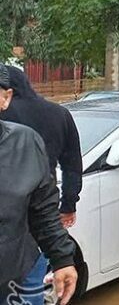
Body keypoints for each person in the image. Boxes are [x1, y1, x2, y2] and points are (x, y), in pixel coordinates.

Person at [0, 64, 78, 305]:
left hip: (15, 270)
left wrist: (62, 258)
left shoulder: (24, 142)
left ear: (5, 98)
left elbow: (42, 209)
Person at [0, 66, 82, 228]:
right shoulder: (60, 114)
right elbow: (72, 166)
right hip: (45, 203)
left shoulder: (4, 115)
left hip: (8, 209)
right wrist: (68, 204)